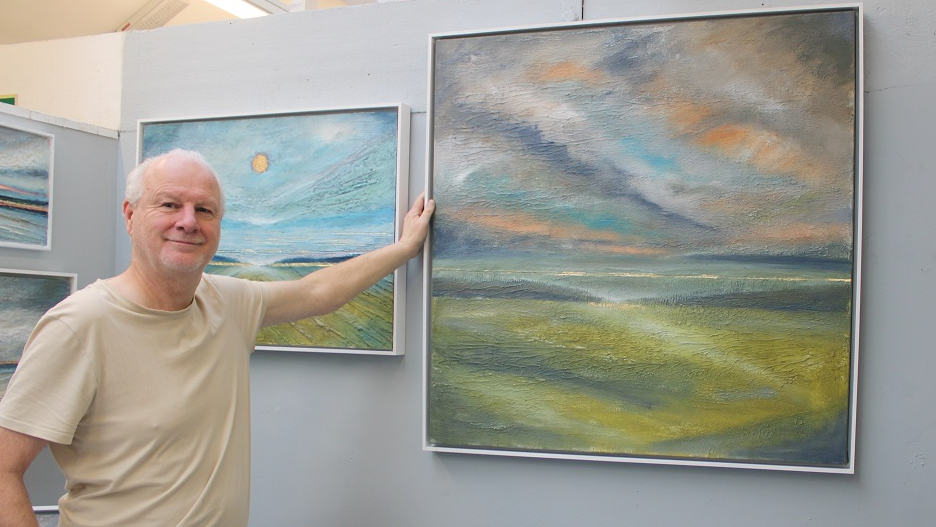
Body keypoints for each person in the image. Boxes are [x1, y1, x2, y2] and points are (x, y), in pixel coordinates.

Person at [0, 149, 435, 527]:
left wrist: (404, 248)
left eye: (204, 210)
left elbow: (318, 292)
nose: (188, 222)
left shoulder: (226, 303)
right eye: (169, 204)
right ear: (130, 215)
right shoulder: (80, 325)